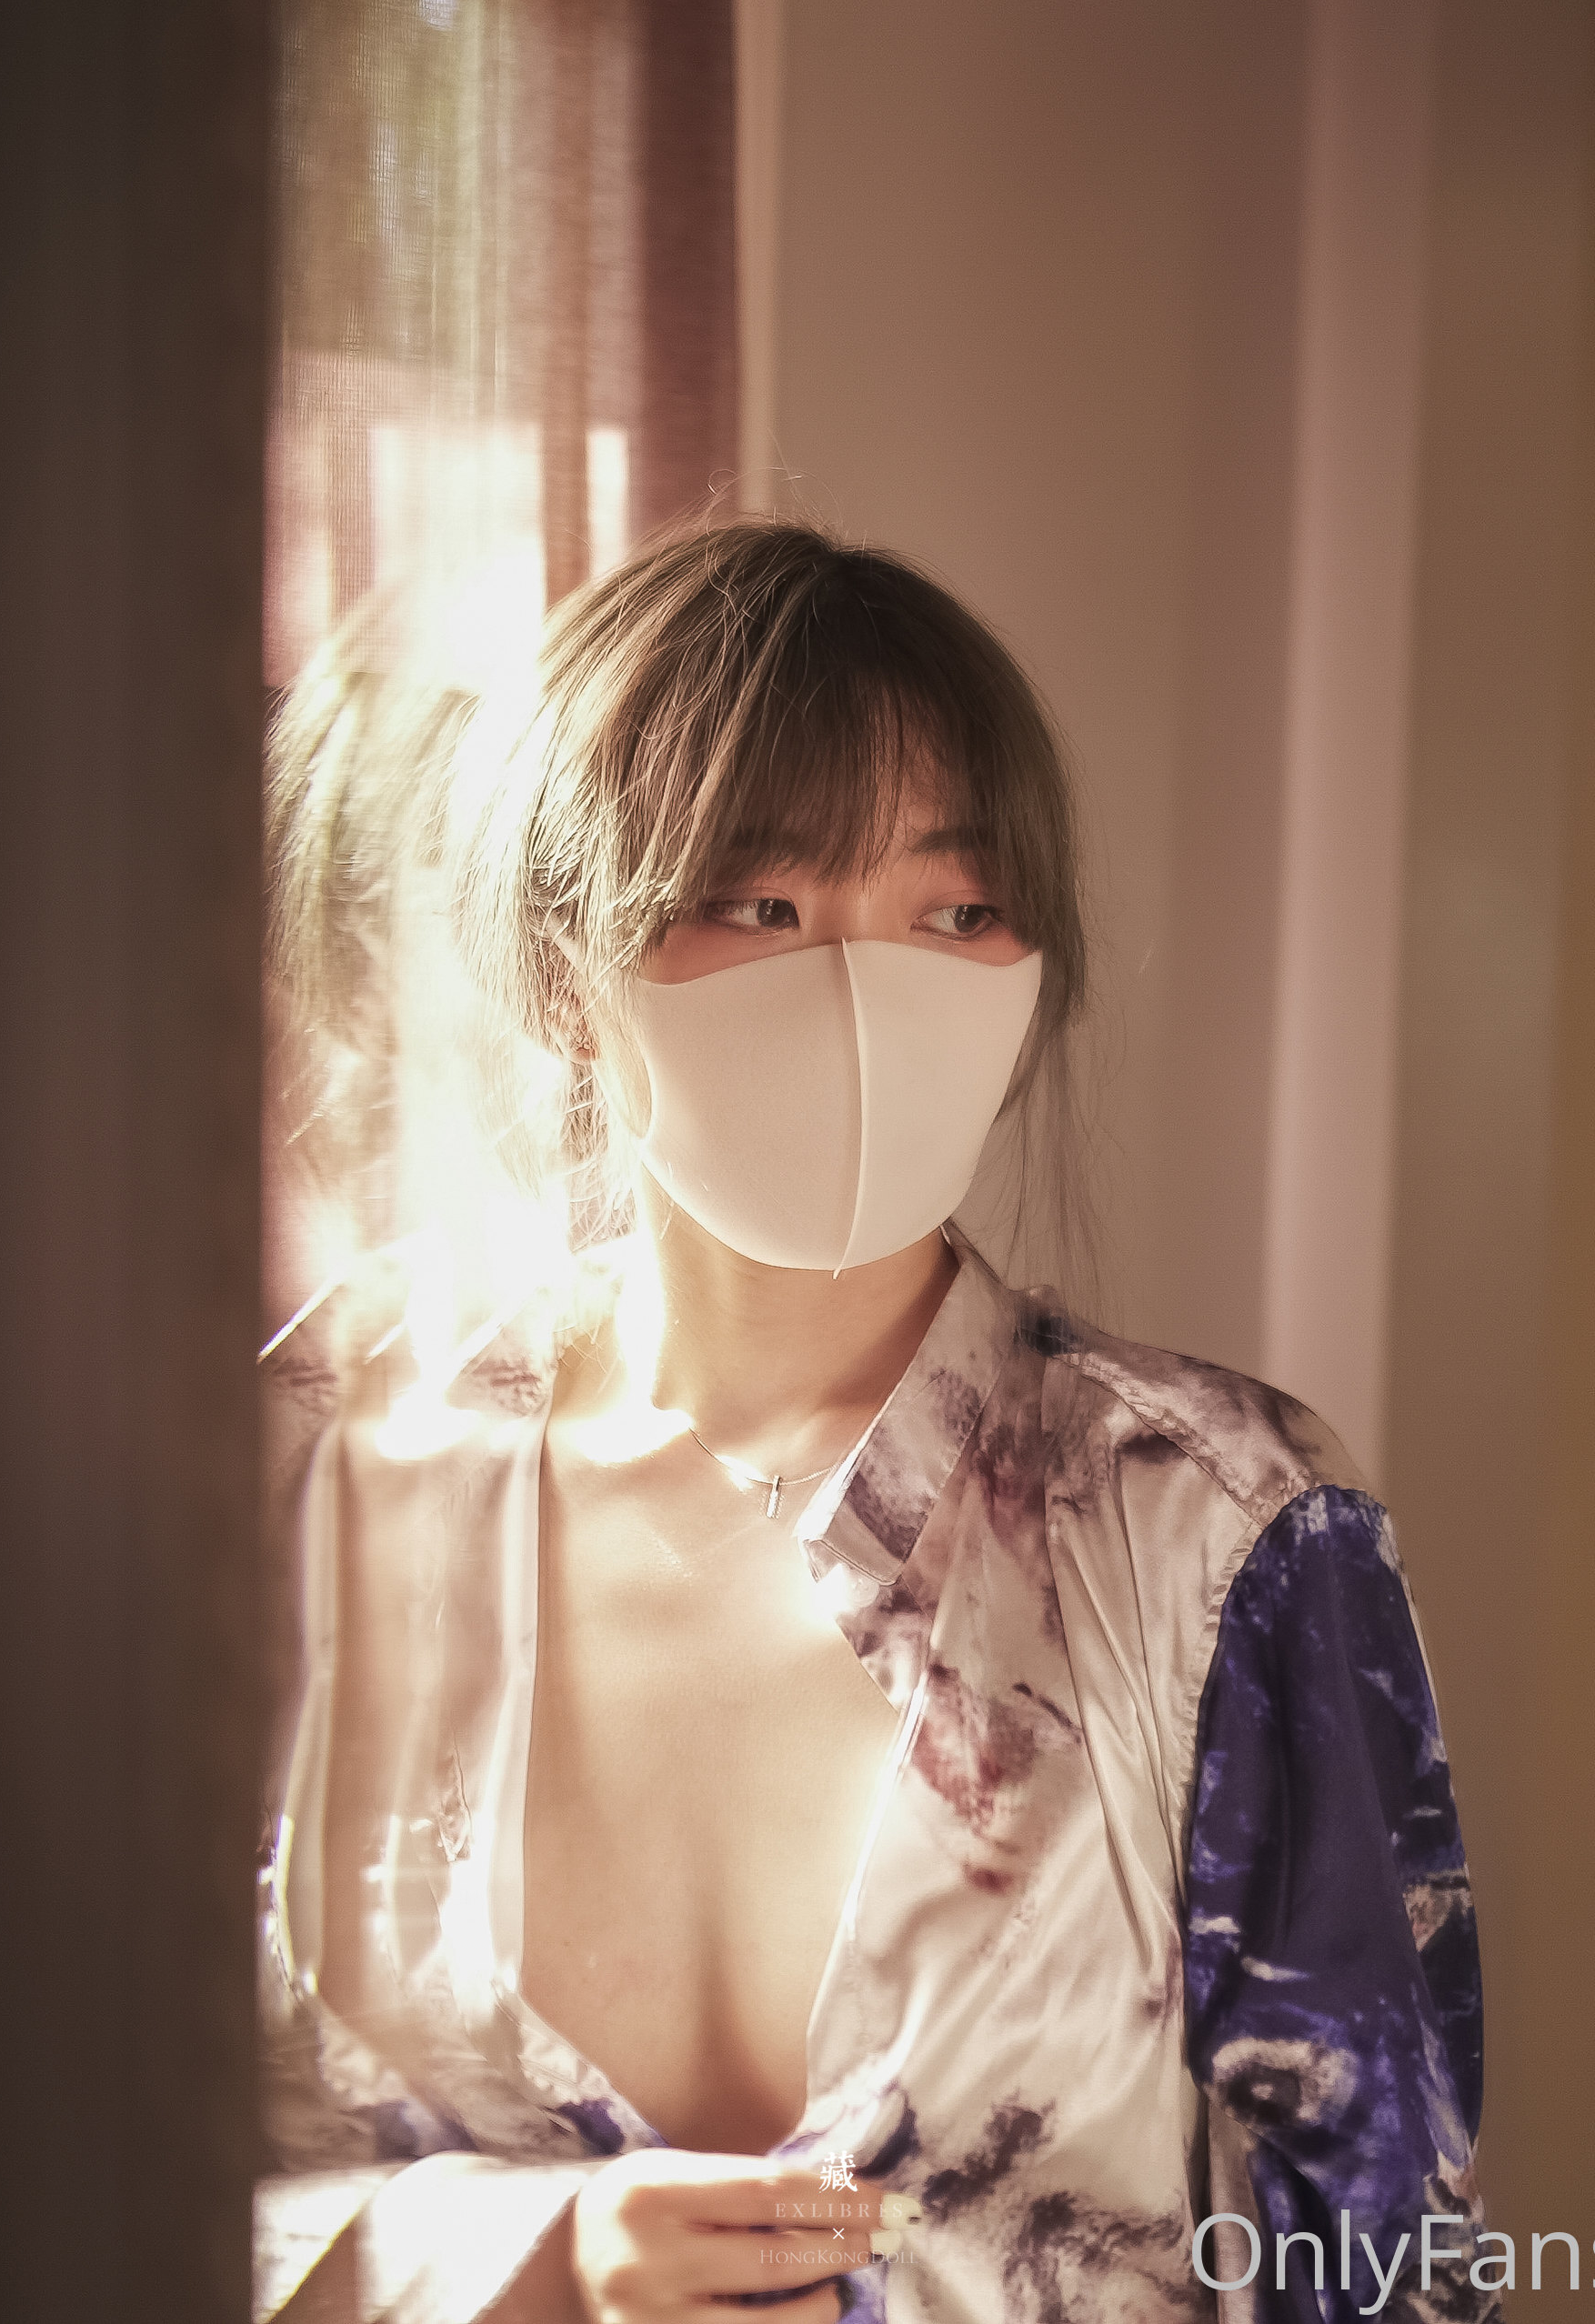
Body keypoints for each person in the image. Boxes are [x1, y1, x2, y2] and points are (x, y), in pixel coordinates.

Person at [254, 520, 1493, 2324]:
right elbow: (42, 2150)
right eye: (763, 906)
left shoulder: (1220, 1522)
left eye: (955, 911)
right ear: (561, 973)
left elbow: (1390, 2263)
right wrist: (524, 2260)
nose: (865, 987)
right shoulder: (333, 1467)